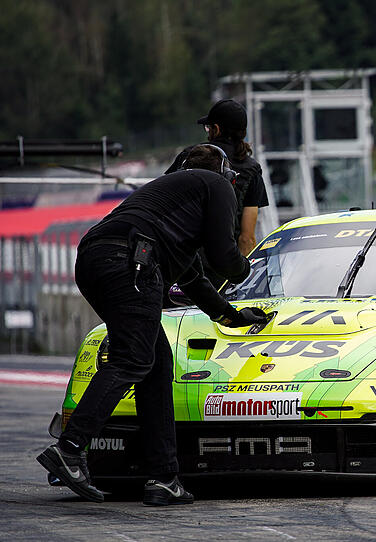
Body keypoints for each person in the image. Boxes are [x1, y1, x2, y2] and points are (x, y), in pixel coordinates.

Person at [36, 145, 267, 506]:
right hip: (132, 261)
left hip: (96, 258)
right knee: (133, 359)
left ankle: (164, 478)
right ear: (225, 174)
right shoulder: (215, 184)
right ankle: (69, 448)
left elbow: (194, 282)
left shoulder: (170, 206)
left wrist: (232, 317)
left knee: (155, 364)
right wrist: (244, 268)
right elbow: (224, 258)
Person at [166, 99, 269, 258]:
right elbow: (247, 239)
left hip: (183, 261)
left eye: (208, 128)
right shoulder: (252, 169)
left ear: (216, 129)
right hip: (223, 263)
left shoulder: (188, 156)